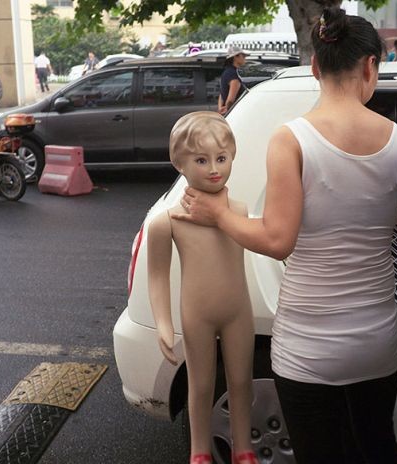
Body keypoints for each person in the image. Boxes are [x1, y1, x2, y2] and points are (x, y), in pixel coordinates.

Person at [175, 7, 397, 464]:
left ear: (316, 66)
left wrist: (218, 213)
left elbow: (277, 240)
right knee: (376, 447)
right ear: (371, 66)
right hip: (376, 344)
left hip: (308, 347)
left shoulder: (291, 139)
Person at [148, 111, 259, 464]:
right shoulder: (167, 222)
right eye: (201, 160)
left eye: (221, 158)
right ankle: (199, 452)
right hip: (197, 314)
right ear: (179, 163)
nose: (214, 169)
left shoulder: (239, 211)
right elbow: (156, 276)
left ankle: (243, 449)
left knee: (241, 382)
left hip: (238, 311)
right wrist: (163, 323)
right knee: (200, 385)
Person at [218, 46, 248, 115]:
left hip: (226, 113)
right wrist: (227, 109)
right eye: (243, 56)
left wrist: (220, 108)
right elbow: (231, 100)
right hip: (235, 113)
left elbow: (221, 94)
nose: (245, 58)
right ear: (235, 57)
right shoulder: (234, 74)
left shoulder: (226, 72)